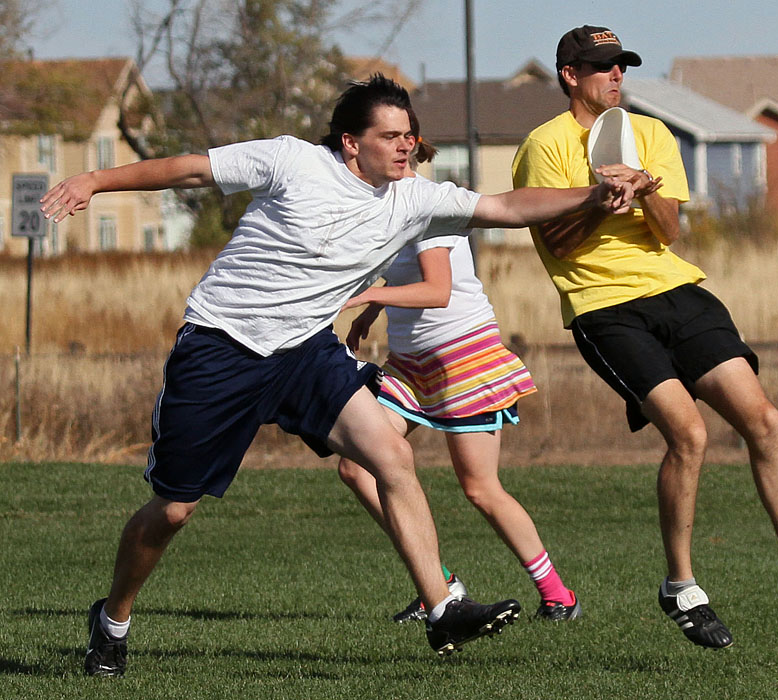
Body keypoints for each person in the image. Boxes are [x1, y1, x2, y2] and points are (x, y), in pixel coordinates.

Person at [41, 74, 633, 675]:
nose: (406, 147)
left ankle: (442, 607)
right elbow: (190, 170)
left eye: (410, 136)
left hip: (305, 353)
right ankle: (113, 619)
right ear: (351, 142)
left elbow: (505, 207)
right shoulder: (291, 161)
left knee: (390, 458)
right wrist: (96, 179)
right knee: (172, 511)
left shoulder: (414, 198)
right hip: (223, 347)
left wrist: (591, 195)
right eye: (391, 136)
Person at [511, 26, 778, 649]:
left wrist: (644, 190)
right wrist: (599, 198)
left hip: (678, 292)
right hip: (604, 307)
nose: (616, 76)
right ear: (570, 75)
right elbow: (557, 242)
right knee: (690, 433)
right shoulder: (544, 145)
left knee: (765, 420)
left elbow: (670, 231)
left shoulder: (650, 133)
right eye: (602, 67)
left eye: (622, 66)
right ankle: (681, 586)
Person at [338, 133, 581, 624]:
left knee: (480, 488)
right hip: (411, 364)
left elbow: (437, 290)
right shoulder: (392, 204)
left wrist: (369, 300)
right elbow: (406, 276)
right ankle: (441, 586)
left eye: (397, 140)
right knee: (357, 467)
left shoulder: (432, 205)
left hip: (463, 359)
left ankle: (559, 596)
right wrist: (371, 313)